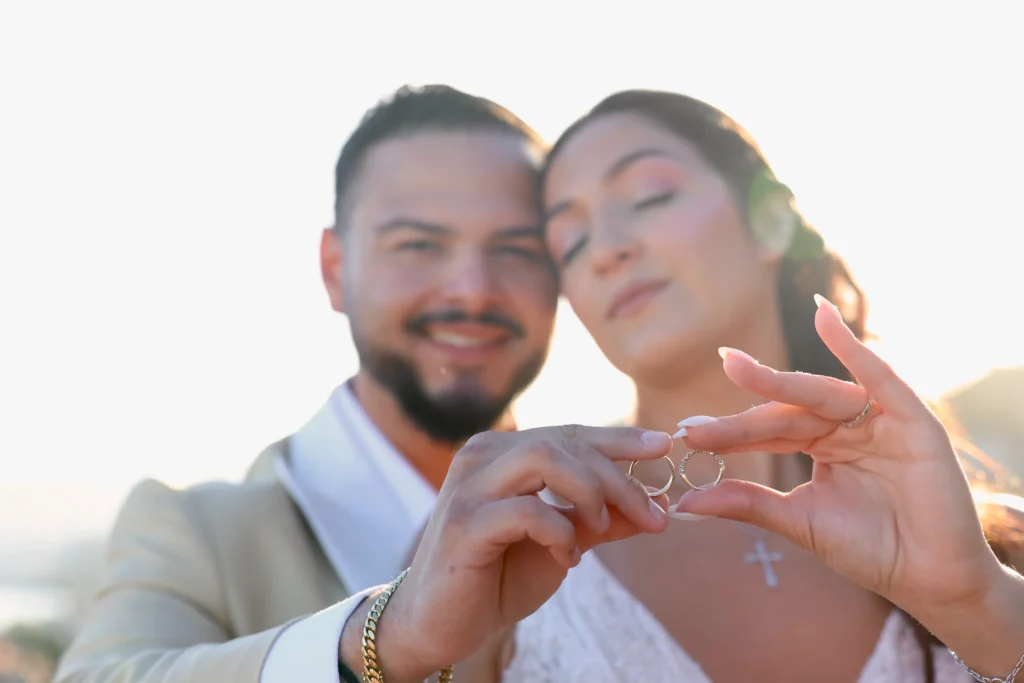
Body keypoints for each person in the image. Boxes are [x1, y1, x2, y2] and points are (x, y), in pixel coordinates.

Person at [455, 89, 1024, 682]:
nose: (603, 249)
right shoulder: (505, 542)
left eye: (651, 195)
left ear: (772, 220)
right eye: (568, 242)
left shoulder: (993, 544)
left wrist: (973, 602)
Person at [53, 83, 562, 683]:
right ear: (334, 270)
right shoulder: (197, 532)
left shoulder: (609, 523)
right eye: (419, 245)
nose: (474, 290)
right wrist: (381, 639)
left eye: (520, 249)